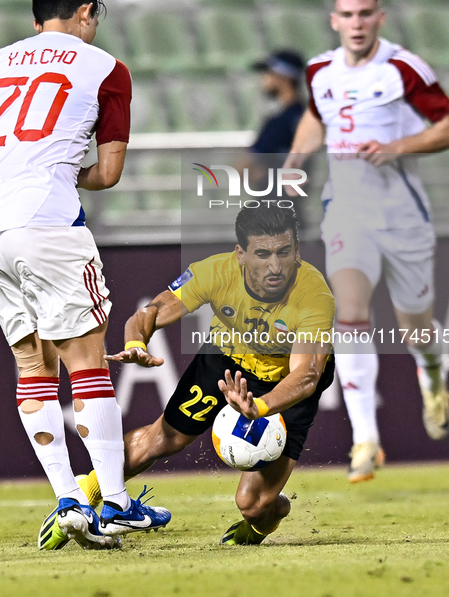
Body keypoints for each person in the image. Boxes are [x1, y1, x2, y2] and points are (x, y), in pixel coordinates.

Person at [0, 0, 170, 550]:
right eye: (93, 20)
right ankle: (112, 503)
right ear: (85, 13)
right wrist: (62, 171)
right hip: (49, 222)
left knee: (33, 366)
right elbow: (108, 174)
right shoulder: (107, 69)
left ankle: (66, 499)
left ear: (37, 19)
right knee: (87, 364)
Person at [50, 204, 336, 547]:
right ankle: (83, 497)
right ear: (241, 255)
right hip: (226, 361)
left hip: (284, 382)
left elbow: (306, 375)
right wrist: (135, 342)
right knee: (161, 439)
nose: (275, 266)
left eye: (284, 252)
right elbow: (151, 311)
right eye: (262, 254)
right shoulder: (214, 272)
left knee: (253, 505)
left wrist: (260, 406)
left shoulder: (314, 294)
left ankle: (264, 522)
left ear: (297, 251)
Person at [283, 0, 449, 483]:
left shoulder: (403, 68)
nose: (357, 24)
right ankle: (366, 441)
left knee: (416, 327)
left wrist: (397, 148)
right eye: (348, 15)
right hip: (347, 210)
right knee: (351, 311)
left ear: (379, 17)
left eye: (366, 14)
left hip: (402, 214)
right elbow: (316, 118)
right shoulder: (319, 69)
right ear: (334, 20)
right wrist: (297, 158)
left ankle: (432, 374)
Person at [238, 50, 305, 197]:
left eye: (268, 73)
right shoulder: (303, 116)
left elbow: (243, 168)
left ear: (284, 78)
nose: (264, 79)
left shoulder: (280, 122)